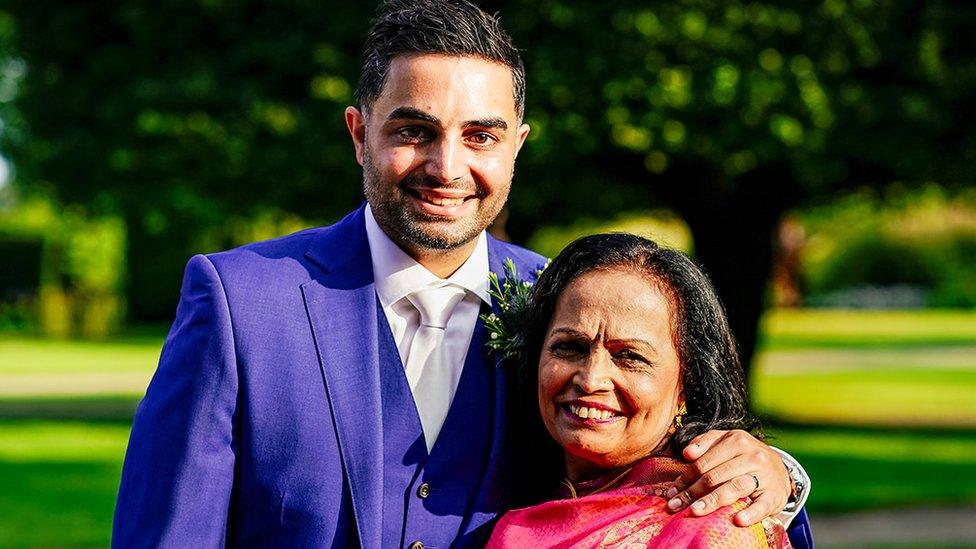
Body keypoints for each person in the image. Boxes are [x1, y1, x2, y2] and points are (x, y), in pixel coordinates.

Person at [113, 1, 811, 547]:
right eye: (414, 131)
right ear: (359, 134)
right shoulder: (241, 302)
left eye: (481, 136)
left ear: (518, 145)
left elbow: (657, 465)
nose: (448, 167)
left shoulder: (568, 308)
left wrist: (779, 475)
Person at [489, 233, 796, 547]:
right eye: (570, 347)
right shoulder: (518, 484)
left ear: (687, 383)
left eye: (629, 357)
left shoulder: (710, 523)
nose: (591, 379)